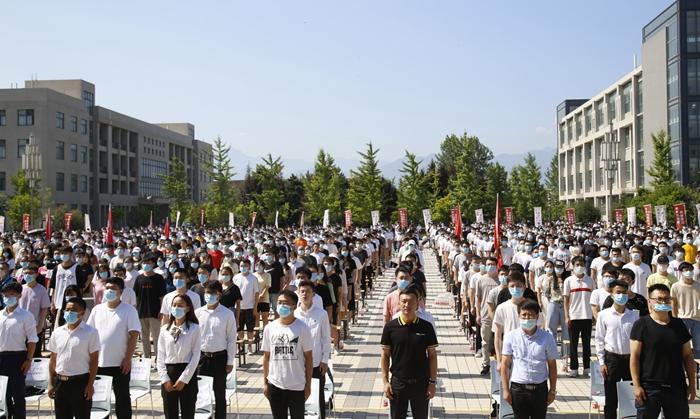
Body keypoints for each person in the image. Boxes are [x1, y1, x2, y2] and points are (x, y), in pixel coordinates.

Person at [630, 283, 696, 418]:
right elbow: (635, 357)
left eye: (666, 299)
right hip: (650, 388)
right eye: (659, 299)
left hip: (676, 386)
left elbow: (688, 356)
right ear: (650, 302)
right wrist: (637, 386)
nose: (663, 302)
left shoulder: (679, 325)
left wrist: (692, 384)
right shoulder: (641, 325)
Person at [86, 276, 141, 419]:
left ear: (121, 292)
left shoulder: (129, 310)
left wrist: (128, 359)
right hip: (99, 362)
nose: (109, 291)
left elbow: (134, 335)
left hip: (120, 364)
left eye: (113, 289)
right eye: (107, 288)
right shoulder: (97, 309)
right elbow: (89, 334)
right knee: (99, 399)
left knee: (122, 398)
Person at [381, 286, 438, 419]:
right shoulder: (390, 327)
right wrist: (385, 382)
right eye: (404, 301)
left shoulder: (426, 327)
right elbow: (385, 355)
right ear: (399, 303)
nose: (407, 305)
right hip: (398, 383)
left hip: (421, 383)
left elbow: (432, 356)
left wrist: (432, 382)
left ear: (418, 303)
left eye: (411, 301)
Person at [500, 299, 557, 419]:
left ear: (537, 316)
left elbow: (552, 365)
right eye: (524, 315)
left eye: (531, 315)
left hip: (540, 389)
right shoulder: (511, 336)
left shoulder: (547, 337)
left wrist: (552, 390)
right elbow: (505, 364)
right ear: (519, 316)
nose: (527, 318)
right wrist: (505, 390)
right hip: (518, 389)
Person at [262, 290, 314, 419]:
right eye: (279, 302)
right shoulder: (270, 328)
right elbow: (266, 358)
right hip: (275, 385)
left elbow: (308, 359)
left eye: (285, 303)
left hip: (297, 386)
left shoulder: (302, 328)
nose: (281, 306)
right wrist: (265, 382)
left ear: (294, 306)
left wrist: (308, 385)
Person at [47, 297, 100, 419]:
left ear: (82, 313)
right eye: (67, 309)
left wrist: (90, 384)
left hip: (80, 383)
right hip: (61, 383)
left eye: (74, 310)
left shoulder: (90, 332)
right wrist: (51, 383)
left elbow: (94, 360)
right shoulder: (57, 332)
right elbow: (53, 360)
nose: (69, 313)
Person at [594, 280, 639, 419]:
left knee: (630, 397)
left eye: (624, 293)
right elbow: (599, 339)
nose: (621, 295)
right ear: (612, 294)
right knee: (611, 398)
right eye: (618, 292)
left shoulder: (634, 316)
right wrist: (601, 362)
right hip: (612, 360)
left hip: (630, 360)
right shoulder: (604, 315)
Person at [195, 280, 237, 419]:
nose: (209, 296)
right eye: (207, 293)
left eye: (212, 293)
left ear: (219, 294)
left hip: (220, 358)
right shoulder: (198, 313)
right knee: (202, 393)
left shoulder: (227, 314)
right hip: (202, 358)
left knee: (219, 394)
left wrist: (230, 361)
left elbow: (231, 339)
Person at [157, 294, 202, 419]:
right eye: (174, 305)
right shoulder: (165, 329)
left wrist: (184, 379)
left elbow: (196, 355)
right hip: (169, 371)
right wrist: (164, 379)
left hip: (187, 372)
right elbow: (160, 355)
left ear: (188, 308)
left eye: (180, 305)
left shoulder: (194, 328)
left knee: (188, 412)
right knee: (170, 413)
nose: (176, 308)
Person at [0, 282, 39, 418]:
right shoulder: (0, 315)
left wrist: (28, 359)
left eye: (11, 294)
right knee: (3, 394)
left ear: (18, 296)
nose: (8, 298)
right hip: (1, 358)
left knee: (18, 394)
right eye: (5, 295)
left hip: (17, 358)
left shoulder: (26, 316)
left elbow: (32, 340)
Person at [295, 280, 332, 419]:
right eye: (302, 291)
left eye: (308, 292)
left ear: (313, 294)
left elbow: (326, 338)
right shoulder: (294, 315)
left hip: (317, 363)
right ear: (298, 293)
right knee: (298, 398)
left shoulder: (321, 314)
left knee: (318, 397)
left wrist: (324, 360)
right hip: (298, 364)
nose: (305, 294)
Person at [563, 255, 594, 378]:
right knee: (573, 344)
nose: (580, 267)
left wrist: (594, 315)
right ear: (573, 266)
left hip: (587, 316)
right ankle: (574, 368)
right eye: (577, 264)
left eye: (582, 264)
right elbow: (565, 300)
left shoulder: (590, 280)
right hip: (574, 316)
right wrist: (567, 316)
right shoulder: (568, 281)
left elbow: (593, 299)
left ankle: (587, 368)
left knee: (587, 344)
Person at [133, 254, 167, 362]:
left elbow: (162, 297)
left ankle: (158, 358)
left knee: (156, 337)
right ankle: (146, 358)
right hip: (141, 312)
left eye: (148, 263)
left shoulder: (158, 278)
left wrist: (161, 311)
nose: (146, 265)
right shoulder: (139, 278)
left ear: (153, 264)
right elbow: (136, 296)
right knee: (144, 337)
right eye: (144, 263)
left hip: (155, 312)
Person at [18, 264, 50, 357]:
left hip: (34, 326)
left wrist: (40, 325)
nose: (27, 275)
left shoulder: (41, 289)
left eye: (30, 273)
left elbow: (44, 309)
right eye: (26, 273)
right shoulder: (20, 288)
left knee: (34, 354)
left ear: (36, 274)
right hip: (20, 326)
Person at [475, 257, 499, 375]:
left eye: (492, 264)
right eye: (488, 264)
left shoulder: (501, 280)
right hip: (485, 316)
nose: (490, 266)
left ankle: (500, 363)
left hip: (499, 317)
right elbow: (478, 298)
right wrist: (478, 313)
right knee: (485, 341)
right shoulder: (481, 280)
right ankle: (486, 364)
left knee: (499, 341)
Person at [671, 261, 700, 358]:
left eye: (691, 270)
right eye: (686, 270)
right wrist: (674, 319)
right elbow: (673, 304)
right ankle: (682, 366)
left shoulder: (698, 285)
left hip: (698, 319)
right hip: (682, 318)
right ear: (681, 272)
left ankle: (697, 369)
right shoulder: (675, 286)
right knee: (682, 344)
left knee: (698, 346)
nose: (689, 272)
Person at [233, 258, 260, 355]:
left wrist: (255, 308)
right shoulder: (236, 277)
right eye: (241, 266)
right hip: (238, 308)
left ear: (249, 266)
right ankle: (241, 347)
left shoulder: (253, 278)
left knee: (250, 328)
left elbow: (257, 294)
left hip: (250, 307)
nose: (243, 268)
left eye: (245, 266)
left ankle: (249, 346)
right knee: (239, 328)